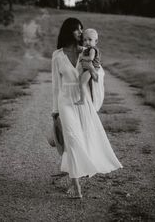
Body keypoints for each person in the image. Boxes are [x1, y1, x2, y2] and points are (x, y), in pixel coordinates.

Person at [51, 18, 123, 199]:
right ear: (68, 31)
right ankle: (76, 187)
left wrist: (94, 70)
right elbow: (55, 86)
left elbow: (99, 75)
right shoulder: (57, 55)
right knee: (72, 140)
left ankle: (78, 173)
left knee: (84, 139)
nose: (80, 33)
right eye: (77, 30)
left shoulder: (87, 51)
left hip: (84, 101)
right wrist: (54, 111)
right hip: (65, 100)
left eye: (81, 29)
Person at [75, 28, 101, 105]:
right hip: (87, 69)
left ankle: (82, 100)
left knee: (82, 83)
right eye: (85, 40)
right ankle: (89, 99)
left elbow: (90, 58)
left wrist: (82, 58)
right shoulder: (88, 49)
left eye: (90, 40)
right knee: (81, 80)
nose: (87, 42)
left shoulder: (92, 49)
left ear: (96, 41)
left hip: (91, 69)